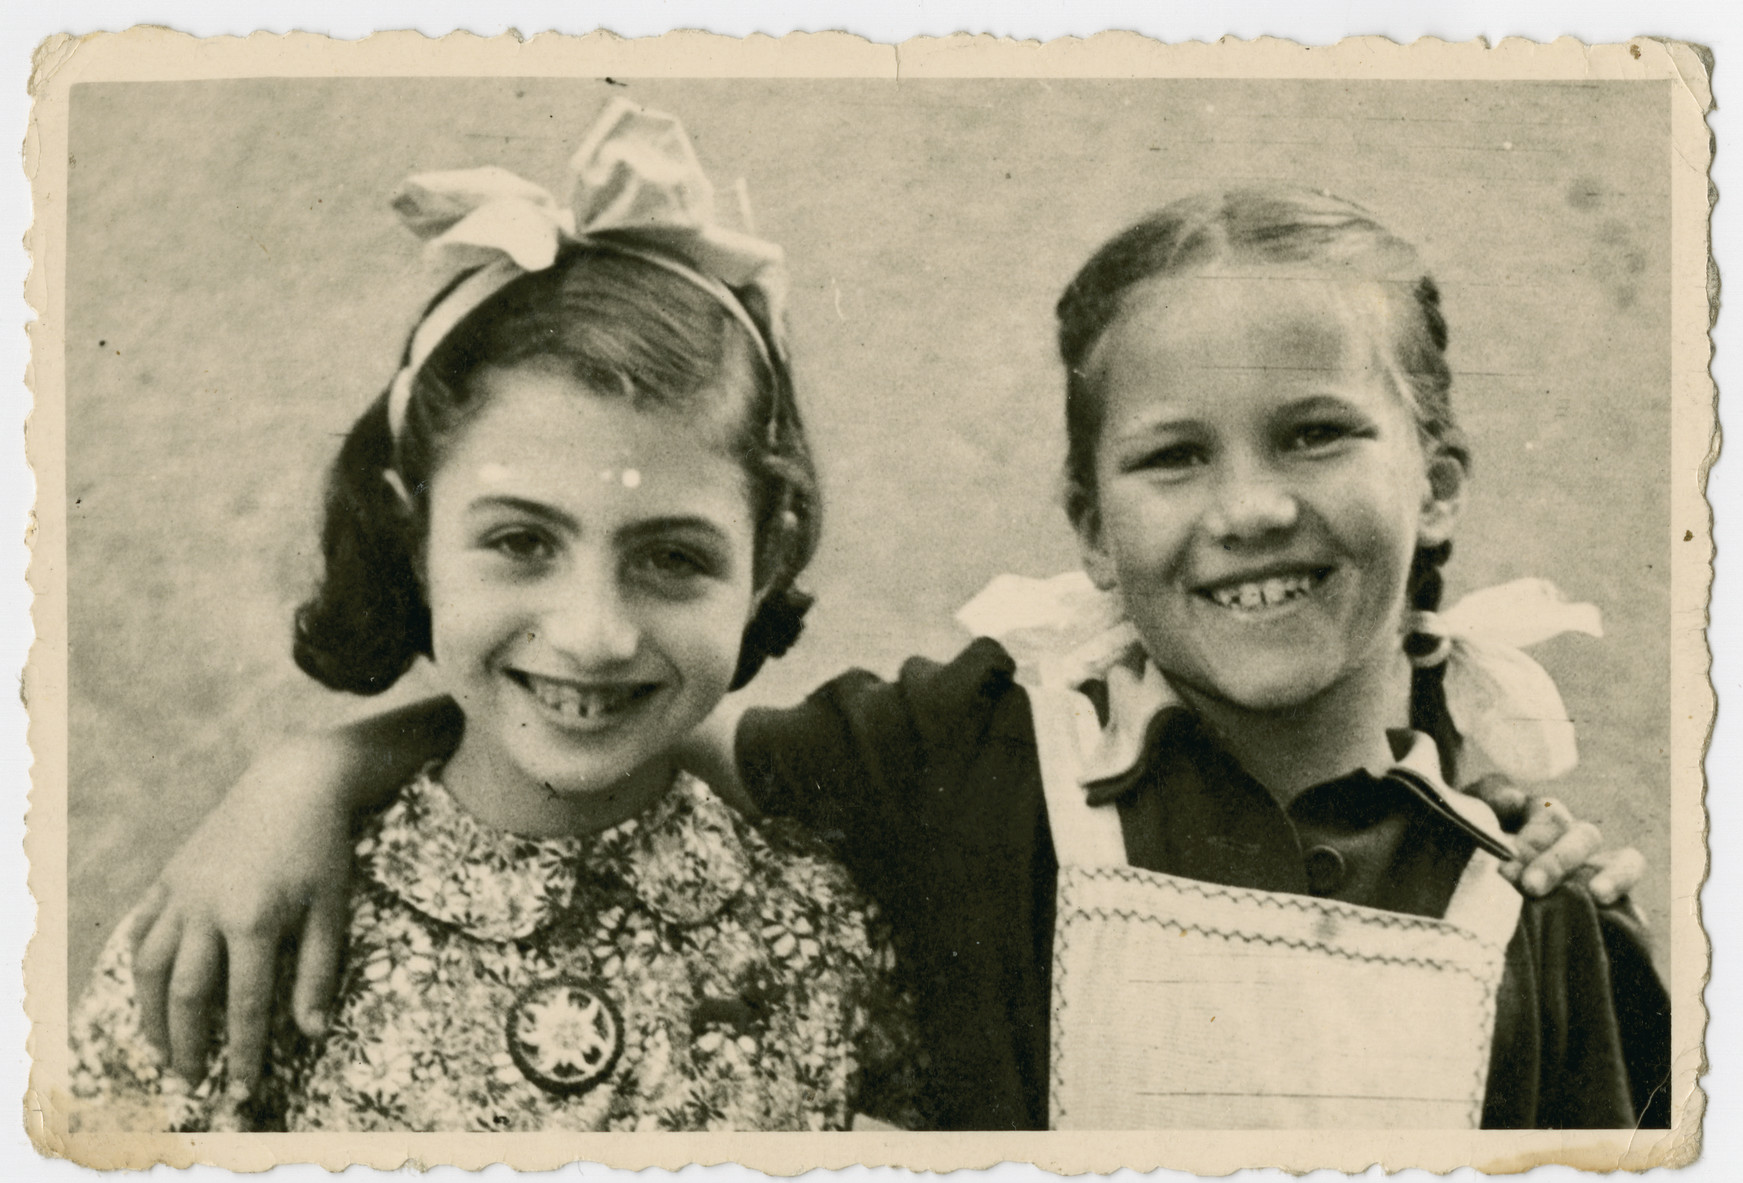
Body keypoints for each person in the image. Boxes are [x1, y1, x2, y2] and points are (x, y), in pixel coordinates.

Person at [129, 187, 1663, 1131]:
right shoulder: (981, 753)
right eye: (1172, 456)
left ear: (1440, 477)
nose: (1251, 509)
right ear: (1085, 521)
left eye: (1316, 433)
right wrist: (309, 768)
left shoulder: (1528, 909)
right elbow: (625, 728)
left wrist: (1557, 889)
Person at [68, 100, 918, 1133]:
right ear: (411, 530)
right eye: (521, 542)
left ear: (768, 554)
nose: (593, 632)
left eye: (673, 557)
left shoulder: (833, 925)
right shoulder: (247, 923)